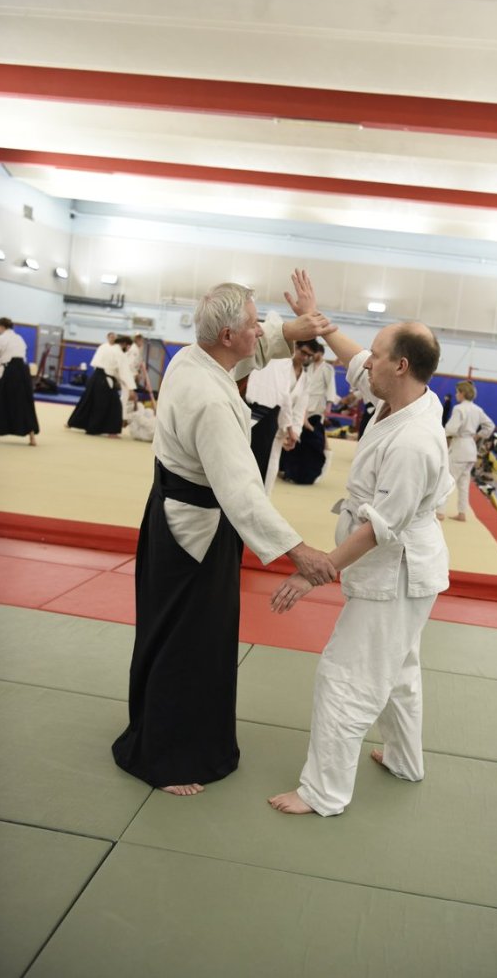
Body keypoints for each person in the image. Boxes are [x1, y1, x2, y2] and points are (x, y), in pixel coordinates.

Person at [112, 277, 338, 796]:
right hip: (195, 528)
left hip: (174, 516)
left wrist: (295, 326)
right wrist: (298, 552)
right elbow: (241, 492)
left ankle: (166, 737)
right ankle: (166, 759)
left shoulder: (193, 359)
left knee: (178, 632)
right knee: (188, 640)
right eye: (254, 322)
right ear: (229, 334)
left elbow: (249, 353)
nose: (260, 329)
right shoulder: (211, 401)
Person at [268, 271, 454, 817]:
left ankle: (323, 792)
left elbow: (378, 529)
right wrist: (318, 320)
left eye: (377, 355)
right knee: (399, 671)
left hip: (395, 574)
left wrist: (317, 570)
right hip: (405, 569)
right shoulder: (404, 394)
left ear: (401, 365)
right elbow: (352, 357)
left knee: (346, 677)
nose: (366, 362)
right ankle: (404, 759)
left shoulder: (415, 441)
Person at [245, 340, 313, 494]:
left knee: (271, 470)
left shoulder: (306, 378)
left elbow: (300, 408)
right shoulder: (278, 364)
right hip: (265, 419)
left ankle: (263, 501)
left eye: (309, 355)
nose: (305, 357)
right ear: (295, 348)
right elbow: (284, 398)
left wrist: (294, 432)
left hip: (282, 430)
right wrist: (288, 427)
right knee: (254, 465)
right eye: (303, 352)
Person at [281, 338, 339, 484]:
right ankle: (290, 469)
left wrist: (328, 407)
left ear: (321, 353)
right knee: (302, 440)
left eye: (312, 354)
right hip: (302, 405)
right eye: (305, 353)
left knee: (320, 440)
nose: (309, 357)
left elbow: (330, 388)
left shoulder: (328, 368)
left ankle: (322, 468)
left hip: (318, 408)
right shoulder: (307, 367)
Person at [443, 380, 495, 521]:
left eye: (457, 392)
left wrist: (443, 435)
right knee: (464, 484)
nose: (456, 395)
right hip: (471, 449)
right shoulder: (477, 409)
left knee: (447, 481)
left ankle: (440, 511)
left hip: (459, 447)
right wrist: (478, 435)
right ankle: (462, 513)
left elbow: (451, 429)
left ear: (462, 393)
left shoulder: (459, 409)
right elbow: (490, 426)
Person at [67, 334, 136, 435]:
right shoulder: (119, 353)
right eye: (128, 346)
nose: (128, 349)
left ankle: (74, 423)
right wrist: (131, 388)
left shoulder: (104, 347)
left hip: (95, 377)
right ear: (125, 344)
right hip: (105, 380)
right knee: (113, 405)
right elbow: (124, 371)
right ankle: (106, 430)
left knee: (88, 401)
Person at [0, 317, 39, 446]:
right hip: (23, 370)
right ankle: (32, 437)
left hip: (11, 370)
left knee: (2, 399)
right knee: (25, 402)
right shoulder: (19, 338)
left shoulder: (2, 338)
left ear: (2, 326)